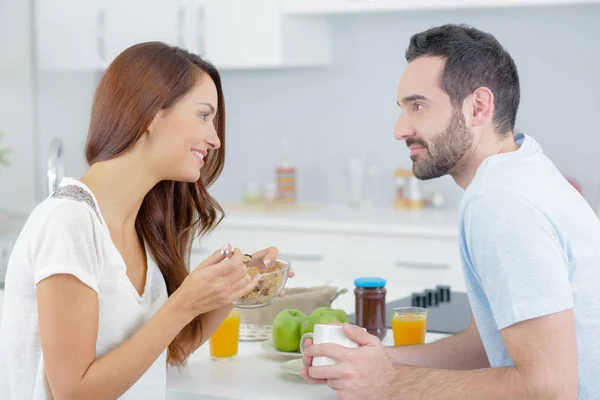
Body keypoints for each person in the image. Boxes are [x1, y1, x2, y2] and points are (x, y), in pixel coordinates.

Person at [301, 24, 600, 399]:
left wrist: (390, 383)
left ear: (478, 107)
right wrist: (370, 361)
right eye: (403, 108)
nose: (399, 129)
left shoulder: (501, 202)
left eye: (419, 106)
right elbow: (484, 346)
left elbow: (549, 389)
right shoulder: (522, 169)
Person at [0, 42, 293, 399]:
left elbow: (170, 349)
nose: (215, 139)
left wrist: (231, 288)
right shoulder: (69, 222)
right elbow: (73, 392)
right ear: (152, 114)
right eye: (204, 115)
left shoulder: (141, 225)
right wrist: (183, 301)